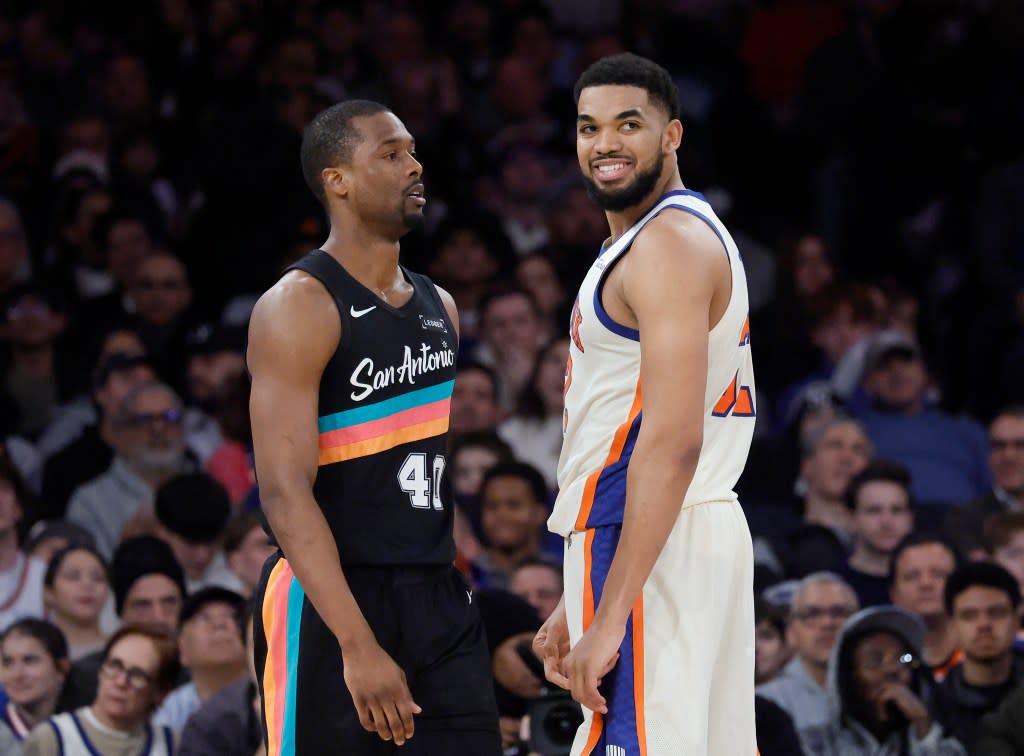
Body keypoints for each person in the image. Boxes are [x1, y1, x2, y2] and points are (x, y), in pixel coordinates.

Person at [247, 99, 500, 754]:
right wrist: (357, 645)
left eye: (413, 151)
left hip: (437, 590)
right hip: (332, 597)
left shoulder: (440, 304)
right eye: (390, 154)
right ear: (338, 179)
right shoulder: (298, 304)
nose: (414, 166)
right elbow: (282, 493)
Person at [532, 53, 757, 755]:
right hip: (680, 532)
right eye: (589, 127)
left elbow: (670, 441)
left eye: (629, 124)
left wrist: (611, 608)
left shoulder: (665, 245)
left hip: (648, 531)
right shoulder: (673, 237)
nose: (605, 144)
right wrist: (580, 598)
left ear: (672, 135)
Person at [801, 606, 966, 756]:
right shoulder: (816, 742)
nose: (892, 669)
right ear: (848, 676)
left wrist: (924, 729)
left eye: (903, 659)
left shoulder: (938, 730)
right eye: (874, 661)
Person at [22, 625, 180, 756]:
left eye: (137, 675)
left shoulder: (171, 744)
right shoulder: (53, 738)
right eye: (114, 666)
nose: (120, 682)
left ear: (161, 692)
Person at [932, 562, 1024, 751]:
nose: (984, 625)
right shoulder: (935, 707)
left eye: (997, 613)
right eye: (969, 615)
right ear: (952, 626)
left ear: (1016, 620)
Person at [757, 572, 859, 739]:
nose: (827, 623)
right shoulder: (764, 702)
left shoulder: (878, 696)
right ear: (791, 631)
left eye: (839, 612)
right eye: (811, 614)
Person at [838, 460, 915, 608]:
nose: (886, 521)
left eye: (896, 510)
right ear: (851, 519)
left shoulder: (927, 588)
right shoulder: (833, 586)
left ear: (910, 519)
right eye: (874, 511)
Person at [888, 534, 962, 678]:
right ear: (893, 593)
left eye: (939, 574)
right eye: (911, 576)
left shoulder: (994, 647)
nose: (926, 584)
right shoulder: (885, 662)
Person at [0, 619, 69, 745]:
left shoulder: (87, 727)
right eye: (8, 663)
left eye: (29, 661)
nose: (17, 674)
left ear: (62, 668)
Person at [42, 545, 109, 660]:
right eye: (73, 577)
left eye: (97, 578)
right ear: (49, 592)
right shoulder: (31, 652)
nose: (87, 584)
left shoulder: (121, 650)